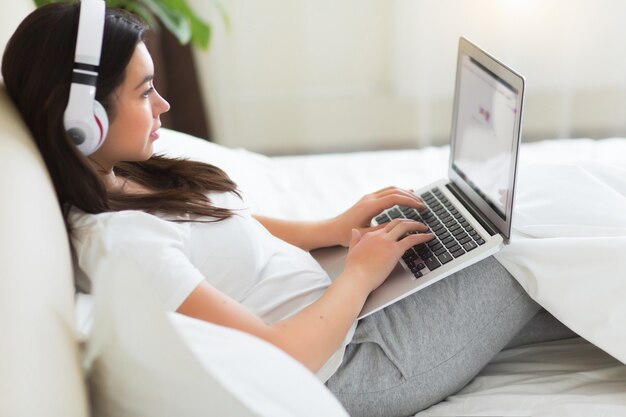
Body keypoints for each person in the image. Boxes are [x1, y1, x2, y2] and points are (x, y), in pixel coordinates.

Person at [1, 3, 575, 416]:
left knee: (531, 242)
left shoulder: (118, 175)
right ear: (83, 121)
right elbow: (278, 359)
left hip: (344, 311)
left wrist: (331, 228)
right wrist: (357, 274)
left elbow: (219, 229)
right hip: (353, 365)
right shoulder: (122, 244)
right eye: (144, 91)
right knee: (527, 251)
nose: (164, 104)